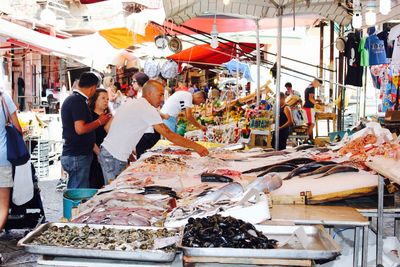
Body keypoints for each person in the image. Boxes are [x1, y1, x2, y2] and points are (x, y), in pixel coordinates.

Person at [99, 80, 209, 183]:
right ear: (150, 94)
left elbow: (108, 127)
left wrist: (126, 150)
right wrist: (197, 147)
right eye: (160, 95)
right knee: (112, 194)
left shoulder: (131, 103)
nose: (162, 99)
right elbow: (168, 133)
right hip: (114, 157)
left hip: (110, 153)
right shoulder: (146, 107)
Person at [61, 72, 111, 189]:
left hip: (75, 153)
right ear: (93, 87)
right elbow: (80, 129)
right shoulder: (77, 101)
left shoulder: (74, 99)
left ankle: (73, 207)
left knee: (76, 189)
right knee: (78, 192)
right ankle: (73, 208)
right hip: (77, 154)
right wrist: (99, 122)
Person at [88, 89, 110, 189]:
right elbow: (89, 138)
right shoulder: (90, 116)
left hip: (106, 155)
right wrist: (99, 154)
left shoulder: (109, 117)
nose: (106, 101)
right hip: (94, 156)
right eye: (103, 98)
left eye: (108, 99)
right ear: (95, 100)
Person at [303, 78, 322, 142]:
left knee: (309, 124)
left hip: (306, 107)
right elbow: (310, 99)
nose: (318, 86)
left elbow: (308, 98)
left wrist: (316, 100)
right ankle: (306, 140)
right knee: (312, 124)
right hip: (308, 108)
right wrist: (318, 105)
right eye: (318, 85)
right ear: (315, 82)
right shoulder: (312, 88)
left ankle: (309, 139)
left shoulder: (309, 86)